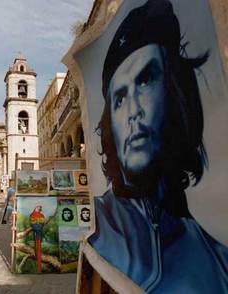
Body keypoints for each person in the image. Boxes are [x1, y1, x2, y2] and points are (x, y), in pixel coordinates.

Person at [88, 0, 228, 292]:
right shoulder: (94, 227)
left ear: (176, 93)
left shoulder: (219, 261)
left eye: (146, 80)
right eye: (120, 98)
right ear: (109, 123)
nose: (133, 111)